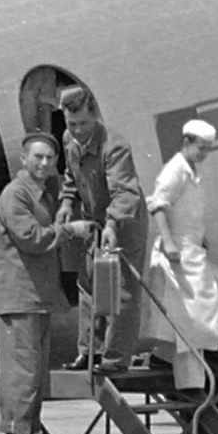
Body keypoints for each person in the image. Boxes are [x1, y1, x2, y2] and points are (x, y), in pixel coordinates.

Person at [0, 133, 94, 434]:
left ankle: (32, 426)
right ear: (23, 159)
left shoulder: (39, 194)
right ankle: (18, 429)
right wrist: (69, 230)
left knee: (35, 366)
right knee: (23, 366)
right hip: (21, 295)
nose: (44, 163)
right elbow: (31, 238)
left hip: (36, 295)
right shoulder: (16, 195)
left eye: (50, 158)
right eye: (37, 157)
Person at [142, 119, 218, 389]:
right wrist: (168, 242)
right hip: (177, 253)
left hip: (192, 250)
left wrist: (200, 237)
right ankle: (189, 382)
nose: (204, 153)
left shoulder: (192, 170)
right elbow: (158, 205)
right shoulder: (175, 170)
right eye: (201, 148)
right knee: (190, 319)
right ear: (186, 143)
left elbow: (187, 211)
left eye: (208, 149)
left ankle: (174, 362)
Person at [56, 86, 148, 374]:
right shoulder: (69, 139)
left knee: (122, 292)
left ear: (95, 116)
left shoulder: (114, 146)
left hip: (124, 222)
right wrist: (67, 203)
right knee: (88, 284)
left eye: (83, 124)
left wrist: (111, 224)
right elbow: (72, 176)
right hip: (93, 219)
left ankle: (115, 358)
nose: (78, 130)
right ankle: (89, 353)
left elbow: (125, 193)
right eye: (72, 124)